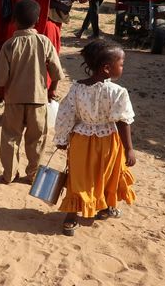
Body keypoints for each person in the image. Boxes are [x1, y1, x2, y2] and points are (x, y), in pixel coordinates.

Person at [53, 39, 136, 236]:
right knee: (107, 174)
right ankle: (104, 207)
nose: (123, 67)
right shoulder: (118, 92)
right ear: (107, 68)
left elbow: (65, 114)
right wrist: (129, 148)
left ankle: (72, 218)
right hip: (108, 141)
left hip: (80, 140)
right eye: (121, 63)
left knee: (78, 177)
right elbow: (123, 121)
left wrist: (62, 139)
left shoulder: (76, 88)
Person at [0, 0, 64, 184]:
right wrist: (52, 90)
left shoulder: (9, 45)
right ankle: (33, 175)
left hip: (14, 100)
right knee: (37, 140)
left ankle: (9, 174)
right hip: (38, 100)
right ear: (38, 19)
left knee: (10, 137)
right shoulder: (44, 42)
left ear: (14, 20)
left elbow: (1, 77)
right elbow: (56, 71)